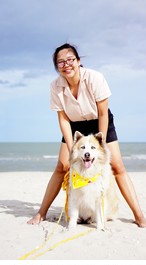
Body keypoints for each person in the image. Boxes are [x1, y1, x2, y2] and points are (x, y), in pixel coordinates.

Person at [27, 43, 146, 227]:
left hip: (99, 120)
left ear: (78, 61)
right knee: (62, 166)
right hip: (74, 126)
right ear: (57, 66)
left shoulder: (94, 78)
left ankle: (139, 216)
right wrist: (72, 146)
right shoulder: (55, 86)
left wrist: (101, 143)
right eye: (60, 62)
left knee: (117, 166)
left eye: (70, 60)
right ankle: (41, 213)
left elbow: (103, 113)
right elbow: (63, 119)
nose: (66, 64)